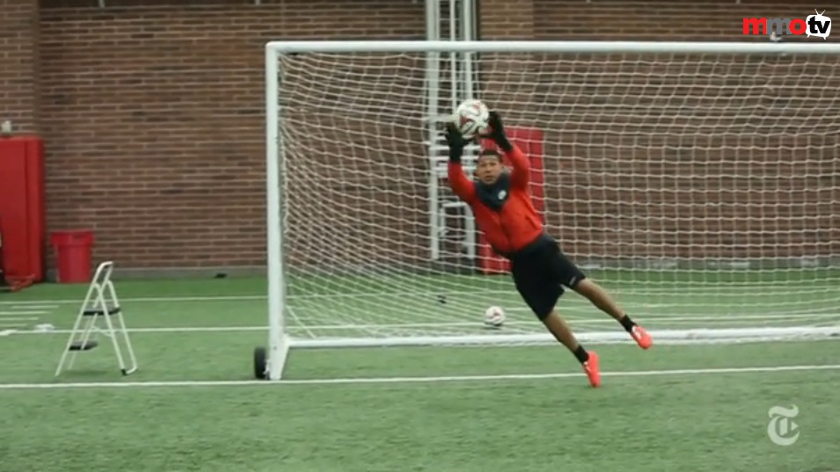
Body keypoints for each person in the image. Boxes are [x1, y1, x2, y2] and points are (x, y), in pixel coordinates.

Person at [444, 111, 652, 388]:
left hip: (541, 247)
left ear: (502, 167)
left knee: (582, 285)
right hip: (519, 263)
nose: (488, 169)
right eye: (483, 166)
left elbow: (523, 165)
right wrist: (455, 153)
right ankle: (585, 357)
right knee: (546, 314)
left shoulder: (515, 182)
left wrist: (502, 139)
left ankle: (630, 325)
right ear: (477, 172)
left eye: (493, 164)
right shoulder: (475, 195)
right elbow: (456, 181)